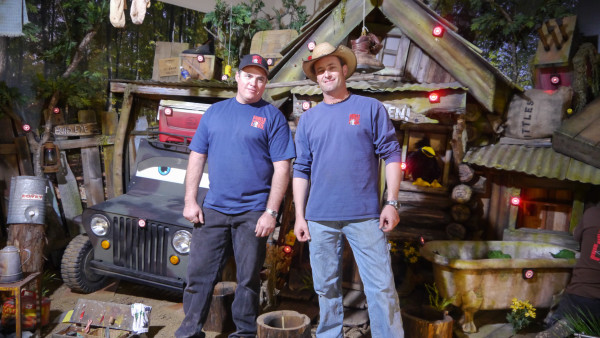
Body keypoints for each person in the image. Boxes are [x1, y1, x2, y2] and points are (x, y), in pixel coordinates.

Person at [176, 54, 296, 338]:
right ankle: (189, 331)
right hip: (213, 209)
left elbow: (283, 169)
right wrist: (190, 200)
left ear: (265, 84)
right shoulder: (215, 113)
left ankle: (244, 333)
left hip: (253, 212)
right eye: (248, 76)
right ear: (237, 77)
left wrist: (271, 212)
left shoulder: (272, 117)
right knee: (199, 275)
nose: (253, 83)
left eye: (260, 78)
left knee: (248, 279)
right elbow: (196, 157)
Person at [293, 42, 405, 338]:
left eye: (331, 67)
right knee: (325, 287)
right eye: (320, 70)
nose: (326, 74)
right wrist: (299, 216)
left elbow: (392, 154)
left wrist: (391, 202)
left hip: (366, 215)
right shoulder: (308, 120)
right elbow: (301, 169)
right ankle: (330, 335)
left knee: (381, 286)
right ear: (316, 78)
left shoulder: (370, 108)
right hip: (319, 217)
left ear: (344, 70)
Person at [536, 199, 600, 338]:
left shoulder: (592, 213)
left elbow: (576, 234)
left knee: (564, 316)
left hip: (579, 293)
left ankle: (567, 323)